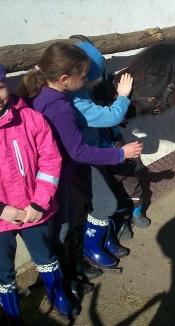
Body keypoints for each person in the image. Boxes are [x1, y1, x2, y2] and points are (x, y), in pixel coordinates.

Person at [17, 42, 143, 276]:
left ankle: (90, 251)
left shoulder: (51, 94)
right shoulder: (64, 105)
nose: (86, 83)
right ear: (65, 78)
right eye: (84, 77)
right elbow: (78, 150)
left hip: (63, 169)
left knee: (74, 215)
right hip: (67, 168)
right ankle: (86, 253)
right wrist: (120, 153)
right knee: (95, 208)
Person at [0, 62, 80, 321]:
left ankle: (57, 293)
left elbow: (50, 161)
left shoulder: (30, 119)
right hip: (1, 218)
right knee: (2, 269)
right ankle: (11, 310)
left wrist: (38, 203)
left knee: (45, 256)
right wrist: (2, 210)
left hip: (34, 210)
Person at [68, 42, 149, 244]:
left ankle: (135, 210)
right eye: (91, 77)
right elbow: (111, 116)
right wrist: (123, 95)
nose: (94, 82)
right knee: (109, 190)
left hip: (105, 141)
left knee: (129, 174)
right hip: (93, 154)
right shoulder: (74, 100)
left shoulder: (80, 91)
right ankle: (118, 223)